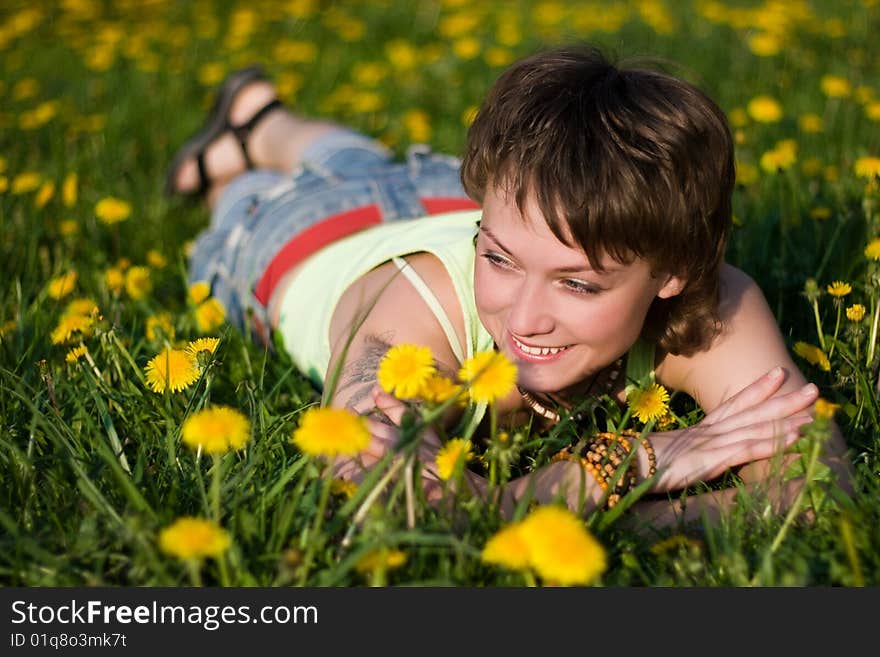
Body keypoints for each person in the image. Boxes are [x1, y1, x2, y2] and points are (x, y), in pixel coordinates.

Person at [167, 44, 853, 528]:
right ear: (488, 212)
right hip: (297, 233)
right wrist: (635, 461)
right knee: (258, 187)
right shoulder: (411, 316)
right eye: (496, 262)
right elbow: (381, 490)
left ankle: (255, 121)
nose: (523, 318)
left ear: (673, 270)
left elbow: (819, 491)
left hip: (476, 208)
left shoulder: (713, 304)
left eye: (578, 285)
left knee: (355, 160)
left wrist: (605, 518)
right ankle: (252, 136)